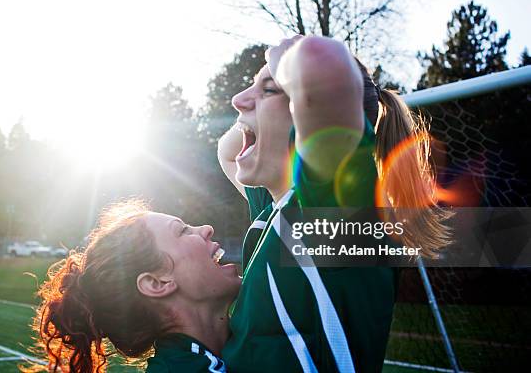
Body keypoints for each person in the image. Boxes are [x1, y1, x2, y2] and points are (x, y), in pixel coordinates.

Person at [217, 35, 450, 372]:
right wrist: (261, 108)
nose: (238, 99)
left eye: (271, 88)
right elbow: (228, 153)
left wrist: (288, 63)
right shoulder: (275, 211)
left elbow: (324, 65)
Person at [25, 200, 240, 373]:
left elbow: (233, 155)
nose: (206, 229)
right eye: (182, 231)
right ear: (157, 283)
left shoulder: (246, 332)